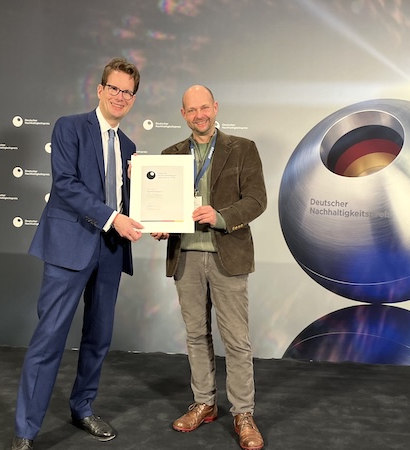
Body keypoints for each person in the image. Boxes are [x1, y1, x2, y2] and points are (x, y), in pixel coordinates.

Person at [11, 57, 144, 450]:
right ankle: (25, 431)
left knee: (98, 337)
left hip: (111, 251)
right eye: (114, 88)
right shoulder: (69, 127)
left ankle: (82, 408)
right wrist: (115, 218)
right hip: (70, 246)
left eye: (128, 92)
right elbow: (66, 185)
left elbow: (125, 203)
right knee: (49, 337)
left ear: (133, 99)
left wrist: (147, 213)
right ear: (100, 90)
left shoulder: (130, 147)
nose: (120, 96)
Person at [151, 85, 267, 450]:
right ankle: (204, 403)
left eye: (204, 108)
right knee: (196, 335)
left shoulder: (243, 149)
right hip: (185, 256)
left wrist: (219, 216)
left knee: (236, 339)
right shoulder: (170, 156)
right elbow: (161, 205)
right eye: (192, 110)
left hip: (227, 254)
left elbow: (257, 200)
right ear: (183, 114)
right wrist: (159, 223)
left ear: (215, 108)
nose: (199, 115)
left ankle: (243, 413)